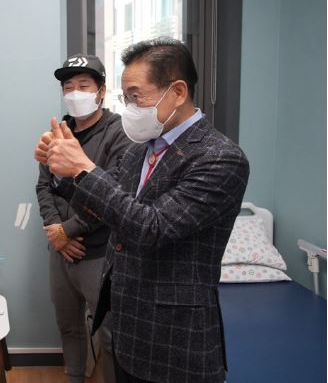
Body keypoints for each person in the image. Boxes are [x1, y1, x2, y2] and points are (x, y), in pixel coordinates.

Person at [35, 37, 249, 383]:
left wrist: (82, 169)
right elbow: (105, 205)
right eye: (126, 98)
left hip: (174, 336)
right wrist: (61, 172)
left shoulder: (220, 158)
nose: (130, 108)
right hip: (127, 324)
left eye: (136, 97)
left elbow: (152, 227)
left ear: (177, 92)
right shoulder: (141, 150)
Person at [36, 54, 134, 383]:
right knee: (68, 325)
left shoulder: (120, 133)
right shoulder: (59, 133)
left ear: (101, 92)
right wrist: (56, 233)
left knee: (110, 333)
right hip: (60, 251)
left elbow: (114, 192)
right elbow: (44, 186)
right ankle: (74, 377)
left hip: (99, 252)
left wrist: (68, 230)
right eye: (68, 87)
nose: (75, 92)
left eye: (83, 85)